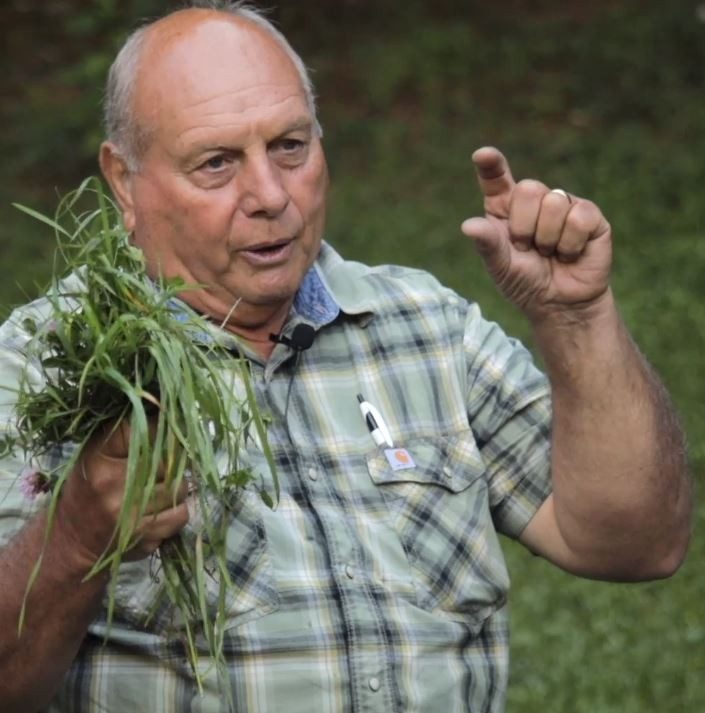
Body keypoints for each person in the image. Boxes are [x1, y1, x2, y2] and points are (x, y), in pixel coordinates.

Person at [0, 2, 691, 712]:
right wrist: (77, 538)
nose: (271, 195)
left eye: (291, 146)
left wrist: (576, 318)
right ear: (124, 181)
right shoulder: (47, 367)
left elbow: (635, 542)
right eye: (216, 163)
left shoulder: (427, 329)